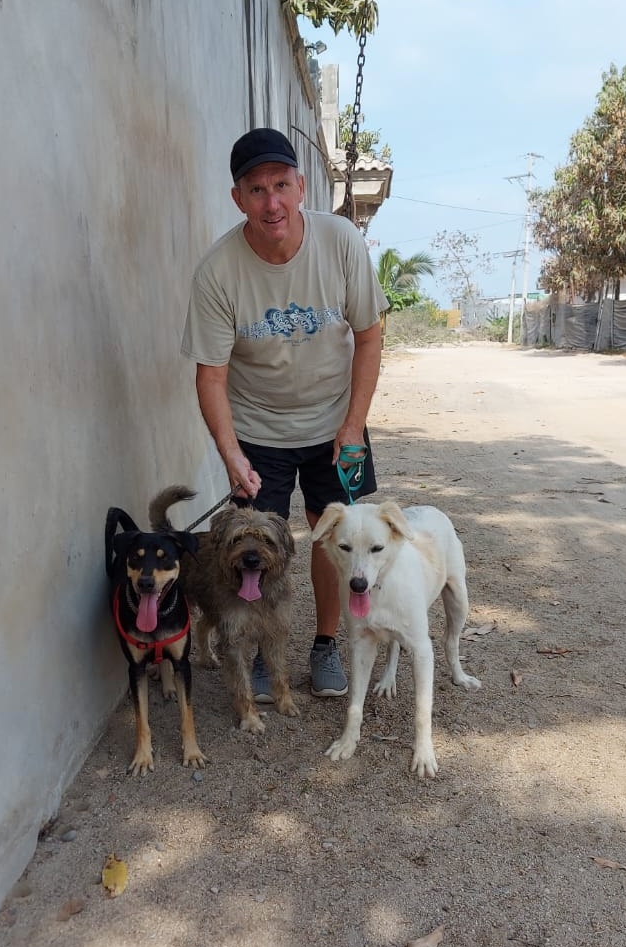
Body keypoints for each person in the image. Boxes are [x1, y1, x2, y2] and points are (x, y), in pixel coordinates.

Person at [182, 127, 388, 701]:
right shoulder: (218, 271)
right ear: (238, 198)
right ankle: (253, 652)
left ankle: (324, 647)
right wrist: (231, 455)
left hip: (333, 422)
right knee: (250, 547)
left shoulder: (341, 242)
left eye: (280, 185)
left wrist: (352, 426)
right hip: (257, 427)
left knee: (333, 540)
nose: (271, 202)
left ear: (300, 186)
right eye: (256, 190)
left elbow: (369, 337)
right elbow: (211, 375)